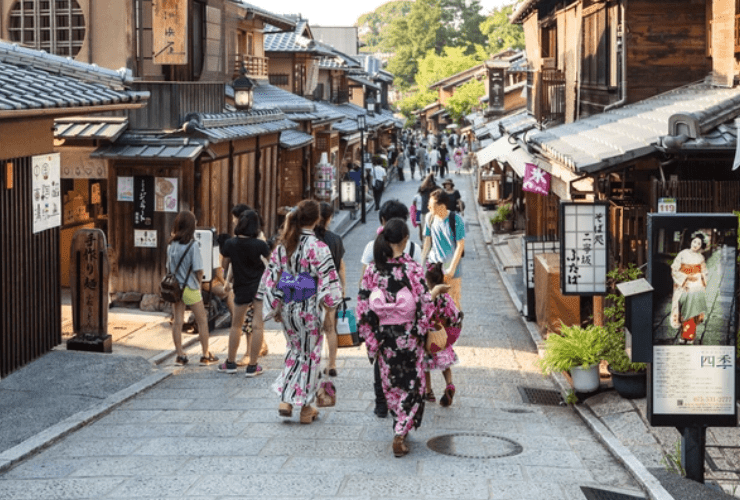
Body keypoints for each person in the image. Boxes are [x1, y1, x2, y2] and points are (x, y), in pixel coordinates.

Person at [257, 200, 343, 424]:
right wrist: (330, 312)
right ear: (317, 220)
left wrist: (275, 304)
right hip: (309, 308)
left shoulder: (285, 244)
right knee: (310, 356)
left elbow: (272, 276)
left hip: (288, 307)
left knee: (294, 352)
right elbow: (329, 282)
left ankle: (286, 400)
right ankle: (305, 408)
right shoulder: (318, 247)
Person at [357, 218, 437, 457]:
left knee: (390, 385)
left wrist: (371, 340)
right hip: (409, 337)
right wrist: (421, 330)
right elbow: (425, 302)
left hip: (384, 338)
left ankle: (399, 426)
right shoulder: (412, 268)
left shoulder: (373, 269)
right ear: (405, 239)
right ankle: (401, 431)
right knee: (412, 385)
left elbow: (363, 306)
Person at [218, 210, 270, 375]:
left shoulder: (231, 244)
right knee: (257, 326)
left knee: (236, 325)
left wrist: (227, 283)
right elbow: (271, 263)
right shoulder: (260, 245)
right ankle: (252, 366)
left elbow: (228, 258)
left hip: (240, 288)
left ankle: (230, 363)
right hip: (258, 289)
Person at [167, 210, 219, 366]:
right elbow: (199, 269)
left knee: (177, 322)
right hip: (190, 288)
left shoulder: (171, 245)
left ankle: (180, 355)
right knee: (202, 321)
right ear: (191, 226)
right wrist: (198, 284)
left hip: (175, 288)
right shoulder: (192, 245)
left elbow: (168, 268)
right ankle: (205, 354)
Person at [422, 262, 463, 406]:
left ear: (427, 281)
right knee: (446, 366)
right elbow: (456, 316)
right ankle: (449, 384)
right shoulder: (446, 299)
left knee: (425, 366)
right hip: (442, 338)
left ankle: (428, 392)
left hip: (429, 340)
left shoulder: (428, 299)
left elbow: (423, 318)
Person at [315, 202, 346, 377]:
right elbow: (341, 266)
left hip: (311, 287)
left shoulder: (309, 240)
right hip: (331, 287)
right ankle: (332, 364)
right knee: (329, 328)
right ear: (330, 218)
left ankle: (315, 364)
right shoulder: (335, 239)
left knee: (314, 329)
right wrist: (343, 288)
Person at [422, 189, 465, 310]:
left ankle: (454, 328)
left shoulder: (456, 220)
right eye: (428, 204)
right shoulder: (429, 217)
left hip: (451, 269)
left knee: (453, 301)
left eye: (432, 205)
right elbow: (427, 242)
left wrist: (452, 268)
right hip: (434, 267)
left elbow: (460, 245)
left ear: (441, 206)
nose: (428, 207)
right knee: (432, 300)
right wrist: (421, 263)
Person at [670, 233, 709, 344]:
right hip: (684, 285)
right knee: (684, 309)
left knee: (694, 309)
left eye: (699, 244)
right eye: (694, 242)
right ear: (691, 242)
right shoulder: (682, 254)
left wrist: (701, 281)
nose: (696, 245)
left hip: (696, 285)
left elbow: (704, 272)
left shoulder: (700, 257)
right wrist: (683, 281)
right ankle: (683, 335)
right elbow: (674, 269)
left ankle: (691, 336)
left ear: (701, 246)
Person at [416, 174, 438, 242]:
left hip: (434, 214)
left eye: (430, 183)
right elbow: (422, 186)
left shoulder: (436, 189)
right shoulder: (423, 190)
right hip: (424, 213)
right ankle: (425, 243)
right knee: (424, 230)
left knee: (434, 230)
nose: (429, 185)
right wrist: (428, 177)